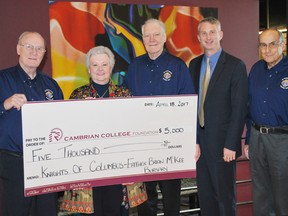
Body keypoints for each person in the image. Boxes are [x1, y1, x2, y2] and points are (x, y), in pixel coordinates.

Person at [125, 18, 195, 216]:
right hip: (142, 144)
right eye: (147, 35)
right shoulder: (134, 66)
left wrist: (191, 141)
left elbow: (188, 107)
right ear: (143, 39)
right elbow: (124, 102)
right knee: (145, 201)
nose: (152, 39)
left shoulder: (178, 66)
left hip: (170, 144)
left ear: (164, 38)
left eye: (156, 34)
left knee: (172, 199)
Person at [61, 45, 133, 216]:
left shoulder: (125, 95)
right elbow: (69, 133)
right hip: (87, 170)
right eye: (95, 65)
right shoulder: (77, 96)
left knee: (114, 210)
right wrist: (81, 112)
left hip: (117, 168)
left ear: (111, 67)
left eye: (104, 64)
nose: (100, 69)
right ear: (88, 68)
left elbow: (132, 130)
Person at [188, 17, 248, 216]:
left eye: (212, 32)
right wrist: (194, 140)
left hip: (223, 145)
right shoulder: (194, 65)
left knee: (224, 198)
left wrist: (231, 144)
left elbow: (239, 108)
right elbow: (192, 107)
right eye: (204, 33)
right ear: (198, 37)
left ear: (221, 35)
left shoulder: (235, 65)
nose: (208, 37)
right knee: (206, 198)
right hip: (201, 146)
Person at [0, 31, 64, 215]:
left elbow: (62, 121)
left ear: (44, 54)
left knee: (47, 212)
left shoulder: (52, 85)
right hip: (14, 163)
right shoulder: (3, 79)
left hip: (46, 163)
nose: (34, 52)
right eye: (29, 47)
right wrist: (5, 104)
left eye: (39, 49)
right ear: (18, 49)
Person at [244, 29, 288, 216]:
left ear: (282, 45)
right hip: (257, 138)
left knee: (282, 195)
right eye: (263, 45)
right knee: (261, 194)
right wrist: (248, 140)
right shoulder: (255, 69)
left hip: (282, 141)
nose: (267, 49)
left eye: (272, 44)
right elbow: (248, 105)